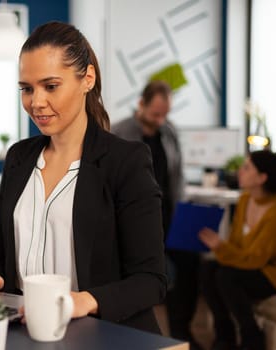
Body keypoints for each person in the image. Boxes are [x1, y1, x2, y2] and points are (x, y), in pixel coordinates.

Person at [0, 21, 166, 333]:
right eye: (27, 89)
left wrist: (84, 300)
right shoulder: (19, 159)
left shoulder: (125, 161)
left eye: (50, 86)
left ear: (87, 78)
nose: (36, 102)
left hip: (104, 334)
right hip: (29, 331)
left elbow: (151, 280)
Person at [111, 82, 201, 347]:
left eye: (165, 114)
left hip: (169, 216)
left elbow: (177, 174)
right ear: (141, 104)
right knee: (159, 275)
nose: (160, 120)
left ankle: (182, 332)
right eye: (155, 114)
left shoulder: (169, 131)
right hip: (138, 221)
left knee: (190, 265)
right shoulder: (120, 132)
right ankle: (148, 338)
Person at [199, 150, 276, 350]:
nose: (240, 171)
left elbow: (256, 259)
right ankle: (225, 337)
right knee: (208, 269)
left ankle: (252, 338)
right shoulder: (244, 200)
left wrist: (220, 248)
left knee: (227, 276)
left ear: (262, 177)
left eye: (247, 167)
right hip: (250, 264)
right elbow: (236, 246)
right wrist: (221, 249)